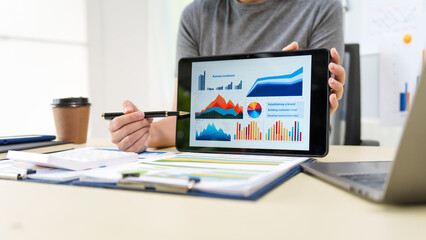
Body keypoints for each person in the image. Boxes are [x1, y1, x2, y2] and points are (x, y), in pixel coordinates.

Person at [108, 0, 346, 153]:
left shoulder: (322, 7)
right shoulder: (195, 16)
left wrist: (316, 109)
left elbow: (317, 113)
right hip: (215, 165)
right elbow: (185, 121)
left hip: (291, 161)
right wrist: (146, 134)